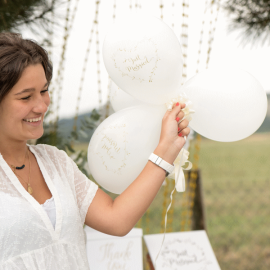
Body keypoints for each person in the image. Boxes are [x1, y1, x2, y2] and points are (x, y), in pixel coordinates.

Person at [0, 32, 190, 270]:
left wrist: (167, 149)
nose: (40, 105)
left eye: (44, 91)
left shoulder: (55, 162)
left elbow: (116, 220)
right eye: (26, 96)